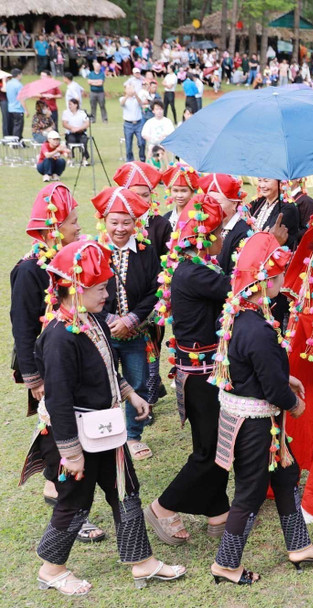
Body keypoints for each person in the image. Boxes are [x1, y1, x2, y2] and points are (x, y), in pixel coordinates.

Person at [34, 240, 185, 597]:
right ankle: (51, 569)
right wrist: (71, 454)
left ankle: (142, 561)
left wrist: (130, 394)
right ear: (76, 288)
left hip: (105, 429)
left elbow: (104, 367)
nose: (107, 295)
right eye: (100, 288)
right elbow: (58, 400)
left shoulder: (91, 319)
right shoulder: (58, 337)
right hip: (73, 437)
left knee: (126, 490)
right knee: (75, 501)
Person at [208, 232, 313, 584]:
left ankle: (299, 545)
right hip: (257, 424)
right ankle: (226, 563)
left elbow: (260, 371)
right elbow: (271, 387)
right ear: (266, 281)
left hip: (250, 415)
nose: (284, 280)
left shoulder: (240, 314)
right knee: (249, 492)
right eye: (279, 275)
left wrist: (286, 379)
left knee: (286, 475)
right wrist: (293, 402)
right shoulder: (260, 330)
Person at [14, 184, 105, 545]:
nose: (79, 228)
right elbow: (22, 327)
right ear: (53, 228)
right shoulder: (29, 269)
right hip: (47, 365)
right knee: (58, 434)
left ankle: (57, 491)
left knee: (62, 431)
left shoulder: (68, 262)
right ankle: (66, 503)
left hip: (68, 360)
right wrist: (35, 379)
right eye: (73, 222)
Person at [148, 195, 231, 546]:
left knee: (212, 444)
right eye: (221, 231)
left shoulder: (190, 266)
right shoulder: (197, 272)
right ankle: (163, 507)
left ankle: (218, 511)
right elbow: (240, 290)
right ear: (208, 236)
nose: (224, 238)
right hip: (202, 375)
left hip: (199, 370)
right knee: (210, 450)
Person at [90, 186, 160, 462]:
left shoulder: (146, 251)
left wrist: (132, 319)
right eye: (114, 222)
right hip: (102, 333)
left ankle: (132, 435)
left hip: (136, 334)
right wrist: (109, 320)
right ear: (104, 222)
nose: (120, 228)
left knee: (137, 383)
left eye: (126, 222)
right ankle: (104, 435)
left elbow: (156, 290)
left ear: (136, 223)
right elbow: (86, 290)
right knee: (101, 385)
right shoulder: (93, 250)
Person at [202, 173, 253, 277]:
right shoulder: (205, 226)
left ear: (234, 204)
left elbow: (235, 275)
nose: (212, 207)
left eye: (218, 203)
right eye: (209, 201)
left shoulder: (243, 232)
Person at [120, 83, 146, 162]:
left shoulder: (137, 98)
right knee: (128, 144)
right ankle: (130, 160)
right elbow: (122, 103)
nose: (130, 90)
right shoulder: (122, 98)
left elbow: (141, 103)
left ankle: (142, 158)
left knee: (141, 142)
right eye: (128, 89)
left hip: (138, 123)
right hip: (128, 124)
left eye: (131, 88)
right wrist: (127, 95)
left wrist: (135, 94)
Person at [61, 97, 90, 165]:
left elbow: (87, 123)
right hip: (71, 133)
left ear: (76, 105)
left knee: (84, 141)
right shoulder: (66, 112)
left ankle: (84, 158)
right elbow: (64, 123)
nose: (69, 106)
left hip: (81, 132)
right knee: (71, 141)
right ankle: (70, 158)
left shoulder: (82, 113)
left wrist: (79, 128)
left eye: (71, 104)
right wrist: (72, 128)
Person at [3, 68, 24, 139]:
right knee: (18, 126)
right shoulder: (18, 85)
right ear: (19, 75)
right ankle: (16, 142)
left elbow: (4, 89)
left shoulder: (9, 83)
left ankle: (16, 140)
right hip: (18, 108)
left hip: (10, 108)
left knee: (14, 125)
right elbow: (21, 98)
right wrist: (26, 110)